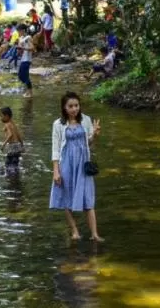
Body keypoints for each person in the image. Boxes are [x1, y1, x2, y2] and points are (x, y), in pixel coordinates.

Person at [50, 91, 102, 241]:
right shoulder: (58, 124)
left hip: (83, 164)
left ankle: (94, 234)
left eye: (76, 105)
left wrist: (95, 135)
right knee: (66, 197)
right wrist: (56, 171)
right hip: (66, 163)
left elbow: (89, 143)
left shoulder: (86, 120)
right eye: (70, 106)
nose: (74, 109)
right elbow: (55, 149)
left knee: (88, 198)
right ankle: (75, 231)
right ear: (64, 108)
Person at [18, 27, 34, 98]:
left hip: (27, 59)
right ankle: (28, 90)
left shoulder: (28, 38)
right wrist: (19, 50)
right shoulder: (20, 38)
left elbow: (32, 48)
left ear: (23, 30)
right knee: (20, 76)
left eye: (19, 31)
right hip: (22, 59)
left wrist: (23, 48)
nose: (19, 32)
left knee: (25, 76)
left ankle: (30, 93)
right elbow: (20, 51)